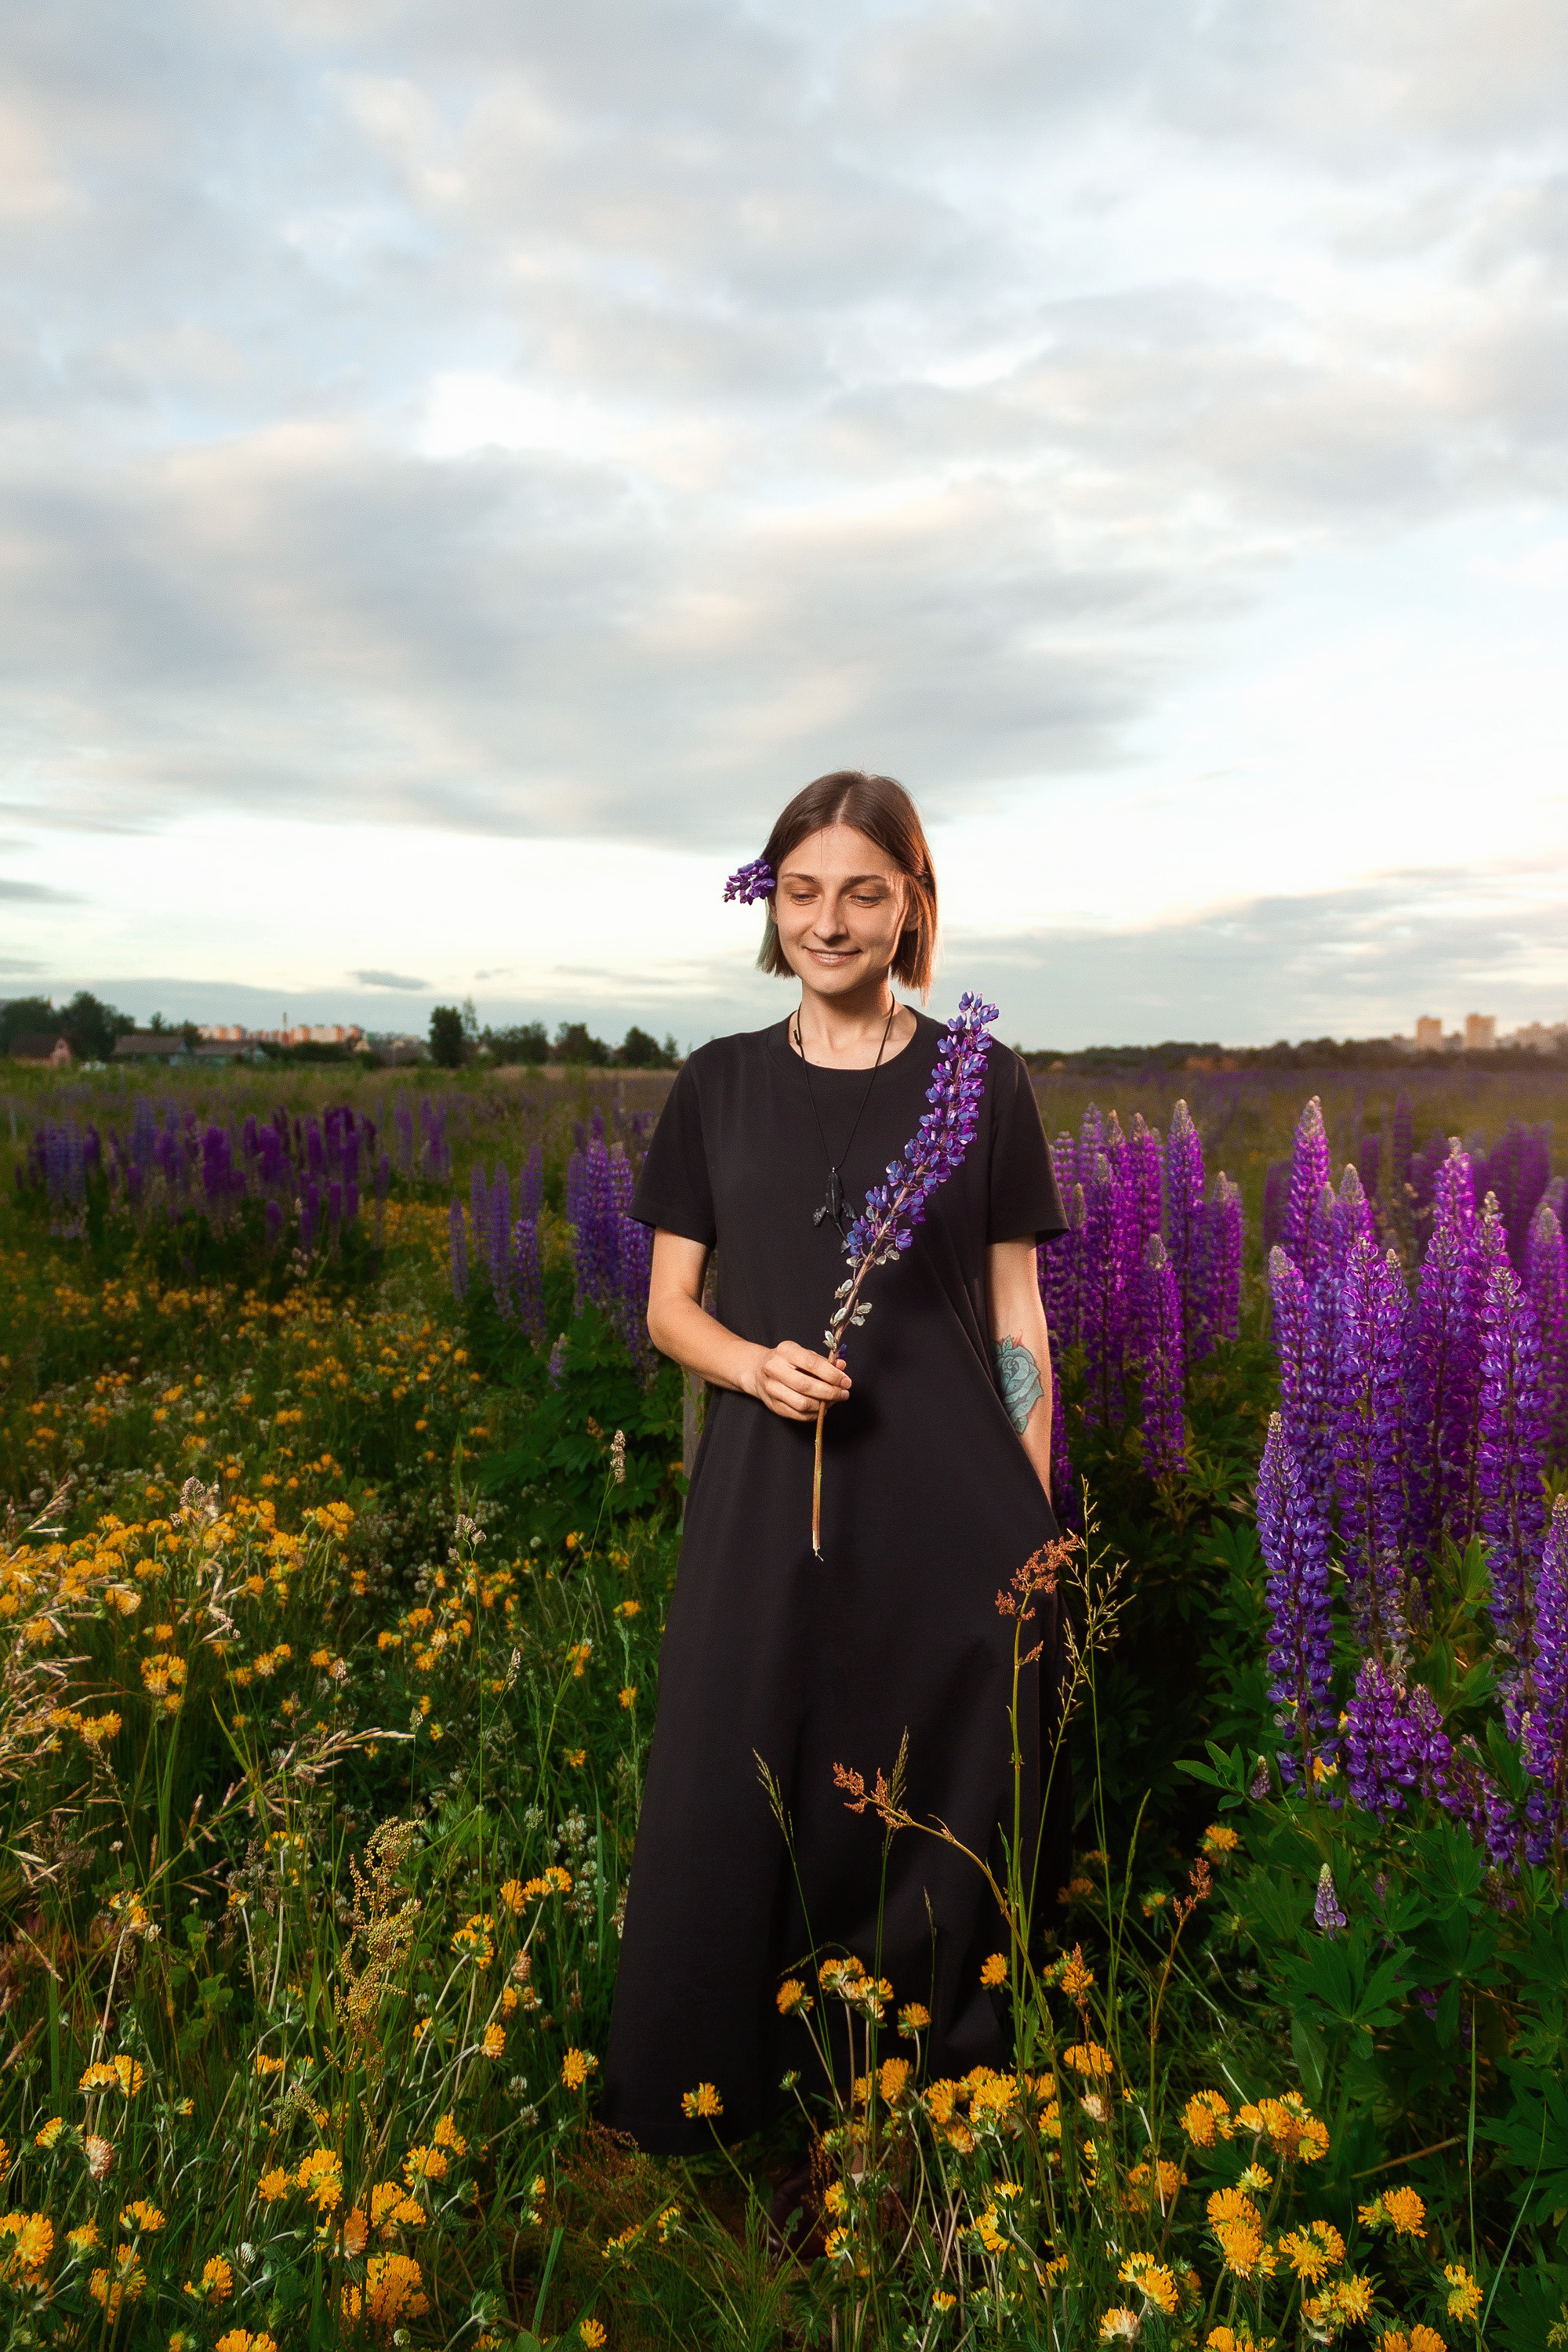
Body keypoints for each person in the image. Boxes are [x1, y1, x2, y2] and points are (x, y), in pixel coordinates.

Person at [599, 769, 1068, 2161]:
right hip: (766, 1481)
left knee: (931, 1779)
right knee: (739, 1760)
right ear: (772, 903)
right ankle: (724, 2086)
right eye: (803, 891)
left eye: (865, 891)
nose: (831, 919)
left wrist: (1034, 1521)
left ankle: (916, 2085)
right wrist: (753, 1365)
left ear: (911, 904)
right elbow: (668, 1306)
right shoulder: (718, 1083)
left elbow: (1017, 1317)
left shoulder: (982, 1081)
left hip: (951, 1500)